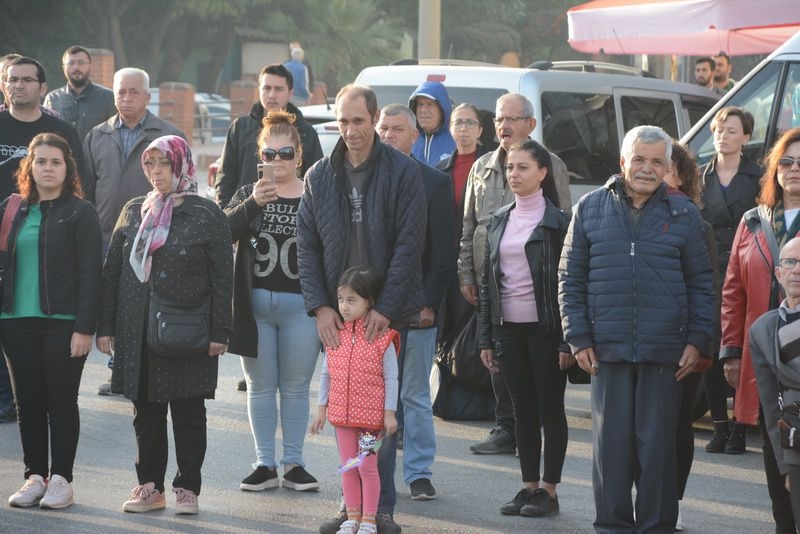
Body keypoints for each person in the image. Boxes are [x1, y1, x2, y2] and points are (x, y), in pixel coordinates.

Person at [559, 125, 714, 532]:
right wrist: (577, 337)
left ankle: (657, 527)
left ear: (667, 167)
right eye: (639, 159)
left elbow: (702, 284)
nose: (647, 168)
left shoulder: (685, 215)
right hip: (605, 352)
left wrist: (698, 340)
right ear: (623, 162)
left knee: (658, 452)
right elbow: (569, 279)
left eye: (656, 162)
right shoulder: (589, 208)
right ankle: (611, 526)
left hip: (666, 354)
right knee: (611, 452)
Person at [298, 84, 426, 534]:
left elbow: (411, 245)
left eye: (358, 120)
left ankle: (380, 510)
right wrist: (319, 307)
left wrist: (385, 308)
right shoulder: (318, 175)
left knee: (379, 414)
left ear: (373, 119)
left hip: (387, 314)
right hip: (339, 315)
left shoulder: (403, 173)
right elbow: (307, 250)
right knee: (344, 413)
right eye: (343, 121)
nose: (350, 131)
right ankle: (349, 508)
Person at [96, 135, 233, 515]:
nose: (157, 173)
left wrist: (220, 332)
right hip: (137, 329)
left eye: (165, 165)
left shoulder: (207, 214)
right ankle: (150, 486)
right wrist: (106, 327)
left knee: (189, 413)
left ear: (181, 165)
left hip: (189, 329)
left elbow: (224, 277)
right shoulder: (134, 209)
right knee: (146, 414)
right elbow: (113, 273)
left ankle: (187, 488)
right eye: (150, 165)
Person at [459, 93, 570, 456]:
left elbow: (563, 230)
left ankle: (529, 429)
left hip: (536, 291)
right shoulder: (482, 166)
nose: (503, 127)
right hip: (490, 281)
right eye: (499, 120)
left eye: (512, 119)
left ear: (530, 124)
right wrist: (466, 275)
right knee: (498, 360)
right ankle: (506, 427)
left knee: (536, 371)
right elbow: (469, 227)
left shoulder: (550, 164)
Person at [2, 133, 102, 509]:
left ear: (67, 168)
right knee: (27, 403)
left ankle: (62, 479)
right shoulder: (11, 209)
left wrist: (83, 327)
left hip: (62, 322)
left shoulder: (81, 212)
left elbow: (92, 274)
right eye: (40, 161)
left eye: (55, 162)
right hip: (14, 320)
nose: (47, 168)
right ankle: (34, 476)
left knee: (61, 402)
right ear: (29, 166)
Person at [224, 110, 321, 492]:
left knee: (296, 387)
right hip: (254, 307)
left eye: (284, 153)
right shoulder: (250, 192)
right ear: (259, 157)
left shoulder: (315, 193)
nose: (276, 161)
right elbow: (219, 233)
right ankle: (265, 463)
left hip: (302, 307)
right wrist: (252, 204)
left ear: (299, 155)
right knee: (261, 385)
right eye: (269, 154)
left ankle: (294, 463)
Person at [477, 139, 572, 518]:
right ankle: (529, 486)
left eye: (523, 167)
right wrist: (487, 337)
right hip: (508, 330)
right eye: (510, 167)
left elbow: (570, 282)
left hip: (546, 330)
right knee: (521, 411)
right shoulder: (500, 219)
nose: (514, 174)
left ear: (542, 173)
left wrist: (568, 340)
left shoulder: (558, 222)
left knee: (551, 410)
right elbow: (488, 283)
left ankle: (549, 490)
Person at [84, 67, 185, 396]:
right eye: (120, 92)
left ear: (147, 96)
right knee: (113, 303)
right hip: (105, 236)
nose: (125, 99)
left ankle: (147, 369)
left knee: (145, 305)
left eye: (133, 92)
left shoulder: (165, 133)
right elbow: (86, 188)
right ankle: (119, 370)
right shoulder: (97, 135)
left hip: (154, 235)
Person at [721, 127, 800, 534]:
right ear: (774, 169)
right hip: (764, 359)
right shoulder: (752, 221)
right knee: (775, 453)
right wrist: (731, 350)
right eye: (786, 161)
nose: (794, 170)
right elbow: (733, 288)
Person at [376, 104, 455, 501]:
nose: (389, 135)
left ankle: (419, 472)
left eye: (397, 128)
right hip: (372, 311)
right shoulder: (365, 179)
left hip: (417, 309)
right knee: (374, 395)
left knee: (414, 394)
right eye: (384, 128)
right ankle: (369, 473)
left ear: (414, 135)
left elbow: (443, 252)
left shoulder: (434, 182)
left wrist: (429, 302)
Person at [310, 267, 400, 534]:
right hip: (343, 419)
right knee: (348, 467)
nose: (344, 307)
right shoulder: (334, 335)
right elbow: (326, 375)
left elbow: (392, 378)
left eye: (352, 300)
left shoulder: (383, 338)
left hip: (371, 421)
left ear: (368, 301)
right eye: (341, 299)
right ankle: (352, 517)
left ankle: (370, 520)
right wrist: (321, 409)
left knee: (368, 468)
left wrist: (389, 413)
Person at [700, 106, 762, 454]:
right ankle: (720, 426)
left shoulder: (759, 177)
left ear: (746, 138)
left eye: (731, 130)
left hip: (745, 271)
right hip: (709, 272)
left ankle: (741, 425)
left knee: (741, 347)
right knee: (712, 349)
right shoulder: (701, 175)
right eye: (719, 129)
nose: (723, 135)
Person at [664, 141, 719, 531]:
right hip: (641, 345)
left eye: (663, 166)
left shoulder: (698, 226)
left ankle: (673, 501)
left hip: (684, 344)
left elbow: (708, 291)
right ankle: (644, 495)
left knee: (678, 424)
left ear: (681, 177)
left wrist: (701, 345)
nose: (652, 172)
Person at [215, 63, 323, 210]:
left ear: (290, 92)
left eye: (278, 89)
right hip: (245, 216)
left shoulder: (306, 132)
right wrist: (227, 216)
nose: (272, 95)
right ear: (259, 90)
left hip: (292, 216)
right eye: (267, 88)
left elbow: (317, 181)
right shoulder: (240, 127)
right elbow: (226, 177)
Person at [751, 236, 800, 528]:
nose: (797, 270)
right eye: (790, 262)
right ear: (778, 273)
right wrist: (785, 467)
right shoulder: (763, 328)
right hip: (790, 435)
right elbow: (770, 405)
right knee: (785, 516)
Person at [437, 103, 490, 346]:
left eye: (470, 123)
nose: (464, 128)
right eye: (458, 122)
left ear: (480, 130)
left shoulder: (492, 167)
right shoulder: (440, 170)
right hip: (447, 261)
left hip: (479, 261)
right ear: (450, 129)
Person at [0, 57, 88, 202]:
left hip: (48, 219)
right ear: (4, 86)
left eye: (27, 80)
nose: (19, 85)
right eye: (13, 79)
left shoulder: (62, 131)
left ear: (42, 88)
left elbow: (78, 182)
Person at [43, 45, 116, 140]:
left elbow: (116, 134)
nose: (76, 67)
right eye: (71, 63)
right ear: (63, 67)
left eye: (81, 63)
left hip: (95, 155)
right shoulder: (52, 99)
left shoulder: (108, 97)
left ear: (90, 65)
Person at [408, 81, 456, 166]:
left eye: (430, 104)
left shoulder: (457, 140)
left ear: (442, 109)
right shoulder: (407, 139)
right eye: (420, 104)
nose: (423, 110)